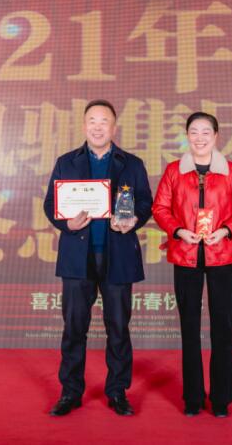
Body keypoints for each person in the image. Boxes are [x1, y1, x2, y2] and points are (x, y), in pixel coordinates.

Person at [43, 99, 152, 417]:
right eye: (92, 120)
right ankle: (70, 391)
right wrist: (66, 223)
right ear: (84, 126)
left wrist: (134, 219)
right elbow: (51, 203)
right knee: (74, 327)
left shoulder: (131, 163)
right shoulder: (66, 162)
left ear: (114, 127)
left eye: (104, 121)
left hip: (118, 255)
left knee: (118, 327)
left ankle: (117, 391)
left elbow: (145, 202)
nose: (98, 126)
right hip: (78, 256)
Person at [152, 112, 232, 418]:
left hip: (221, 255)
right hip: (185, 255)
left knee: (223, 326)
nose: (199, 138)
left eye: (205, 132)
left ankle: (221, 398)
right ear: (187, 136)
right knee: (189, 327)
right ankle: (193, 397)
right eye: (194, 132)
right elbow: (160, 207)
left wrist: (225, 230)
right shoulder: (174, 171)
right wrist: (177, 230)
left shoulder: (230, 171)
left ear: (216, 136)